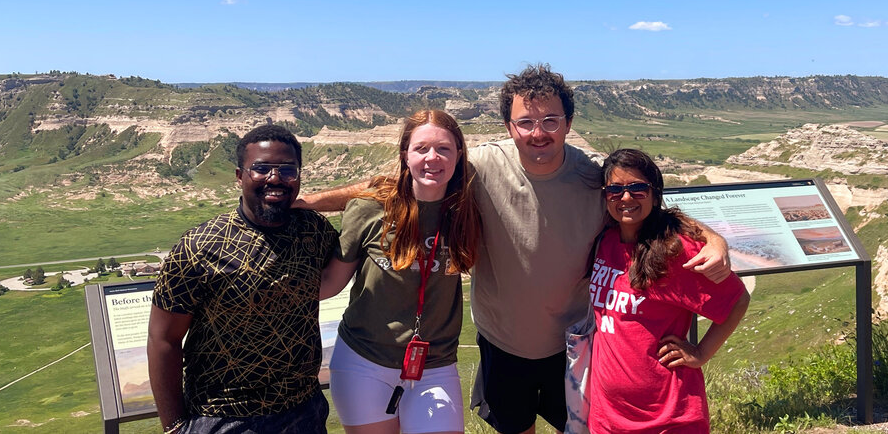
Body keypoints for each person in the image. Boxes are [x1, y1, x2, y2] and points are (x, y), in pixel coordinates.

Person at [299, 64, 731, 434]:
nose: (538, 132)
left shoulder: (591, 178)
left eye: (550, 121)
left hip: (574, 345)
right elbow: (396, 185)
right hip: (501, 343)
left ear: (568, 122)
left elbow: (641, 206)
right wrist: (312, 202)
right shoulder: (481, 167)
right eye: (526, 121)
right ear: (509, 125)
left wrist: (711, 237)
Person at [147, 124, 339, 434]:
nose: (275, 179)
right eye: (261, 169)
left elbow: (374, 202)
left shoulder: (313, 231)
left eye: (287, 170)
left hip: (304, 410)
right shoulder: (199, 247)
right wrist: (175, 427)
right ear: (239, 176)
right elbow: (162, 339)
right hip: (225, 418)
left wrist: (313, 202)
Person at [318, 109, 482, 434]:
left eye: (444, 149)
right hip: (364, 362)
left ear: (459, 154)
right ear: (405, 154)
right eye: (421, 148)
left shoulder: (468, 208)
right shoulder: (370, 208)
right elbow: (330, 284)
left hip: (435, 365)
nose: (432, 158)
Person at [588, 148, 749, 433]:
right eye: (615, 190)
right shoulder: (606, 240)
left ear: (654, 191)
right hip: (608, 417)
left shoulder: (675, 250)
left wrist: (701, 353)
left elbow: (737, 299)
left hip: (668, 417)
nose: (625, 198)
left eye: (638, 188)